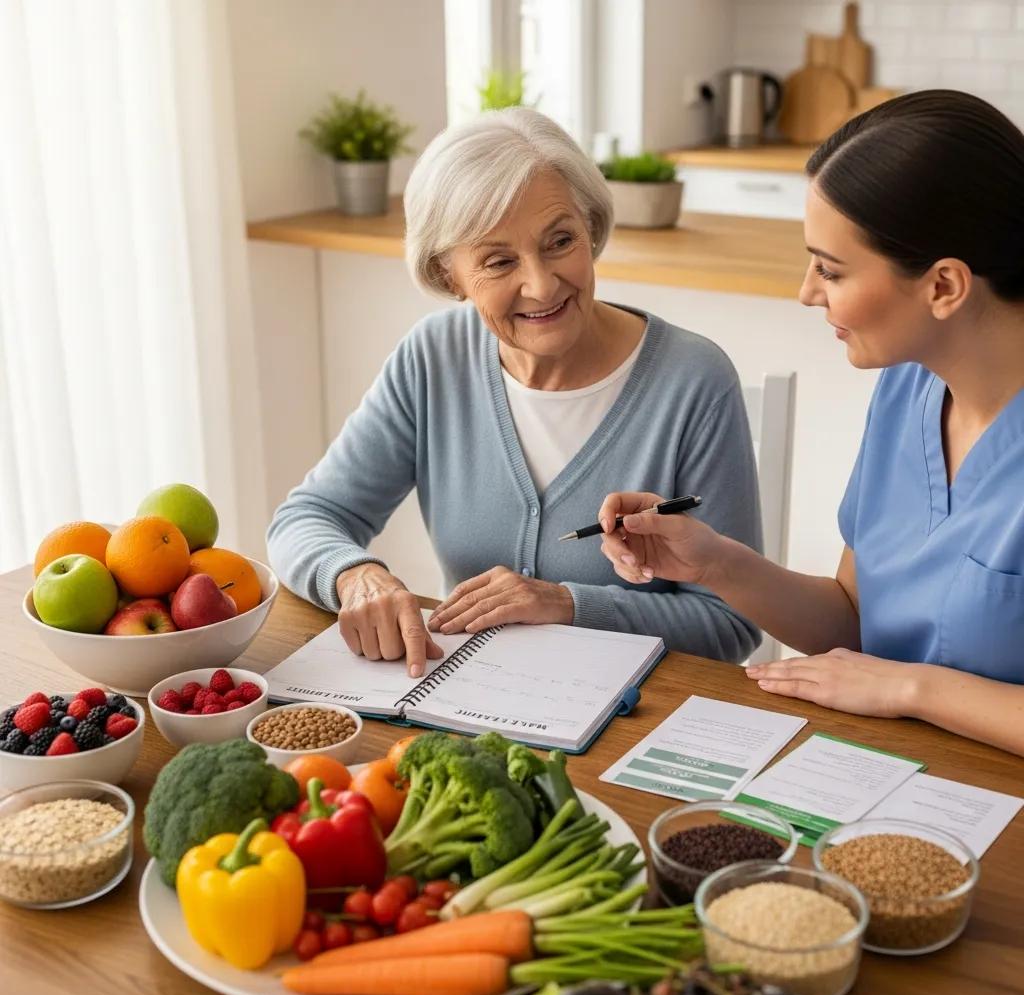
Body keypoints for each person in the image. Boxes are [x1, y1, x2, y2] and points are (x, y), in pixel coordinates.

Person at [599, 90, 1024, 757]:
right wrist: (714, 562)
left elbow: (886, 673)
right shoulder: (906, 387)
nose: (806, 291)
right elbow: (856, 621)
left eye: (830, 269)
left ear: (943, 285)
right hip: (883, 770)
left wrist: (911, 689)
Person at [267, 107, 762, 678]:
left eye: (560, 241)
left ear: (590, 227)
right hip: (463, 705)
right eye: (500, 261)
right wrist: (356, 576)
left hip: (629, 718)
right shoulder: (435, 356)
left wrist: (567, 604)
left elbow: (730, 624)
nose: (542, 283)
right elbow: (309, 517)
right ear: (449, 274)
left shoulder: (694, 379)